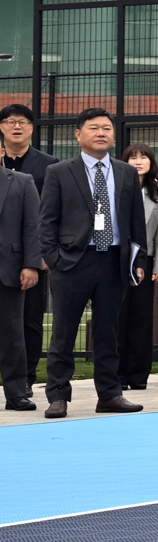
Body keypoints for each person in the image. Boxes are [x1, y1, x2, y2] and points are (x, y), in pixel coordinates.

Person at [38, 107, 152, 419]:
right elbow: (46, 220)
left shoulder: (126, 172)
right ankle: (58, 396)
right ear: (78, 134)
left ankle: (110, 394)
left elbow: (136, 220)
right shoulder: (59, 172)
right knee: (63, 332)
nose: (101, 133)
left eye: (106, 128)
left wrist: (138, 259)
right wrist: (54, 258)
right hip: (73, 260)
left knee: (108, 332)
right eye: (93, 128)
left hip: (114, 260)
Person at [1, 104, 57, 393]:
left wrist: (42, 253)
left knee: (30, 320)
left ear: (32, 128)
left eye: (22, 122)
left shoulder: (48, 165)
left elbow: (51, 212)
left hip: (31, 255)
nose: (16, 127)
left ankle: (26, 377)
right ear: (1, 127)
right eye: (10, 121)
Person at [114, 142, 158, 390]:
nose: (138, 162)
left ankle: (137, 376)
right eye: (133, 157)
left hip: (144, 262)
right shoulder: (115, 187)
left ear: (151, 162)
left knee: (141, 318)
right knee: (117, 316)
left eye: (143, 157)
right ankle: (116, 375)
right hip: (116, 258)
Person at [0, 159, 39, 410]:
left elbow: (33, 225)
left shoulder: (22, 181)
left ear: (1, 151)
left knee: (13, 334)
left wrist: (31, 264)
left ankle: (16, 394)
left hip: (9, 269)